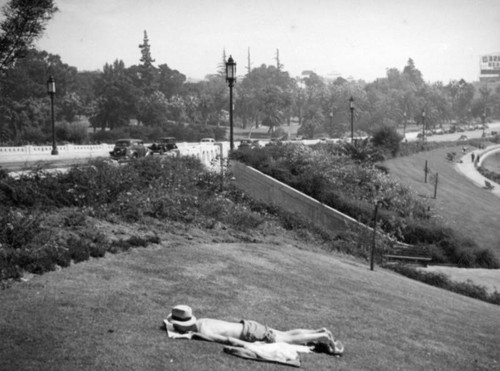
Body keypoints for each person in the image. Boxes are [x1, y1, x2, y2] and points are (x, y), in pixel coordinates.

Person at [165, 304, 344, 355]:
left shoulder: (203, 332)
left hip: (250, 333)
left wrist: (251, 346)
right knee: (285, 333)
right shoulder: (204, 321)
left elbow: (226, 340)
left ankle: (322, 336)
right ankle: (319, 331)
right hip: (249, 325)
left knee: (286, 339)